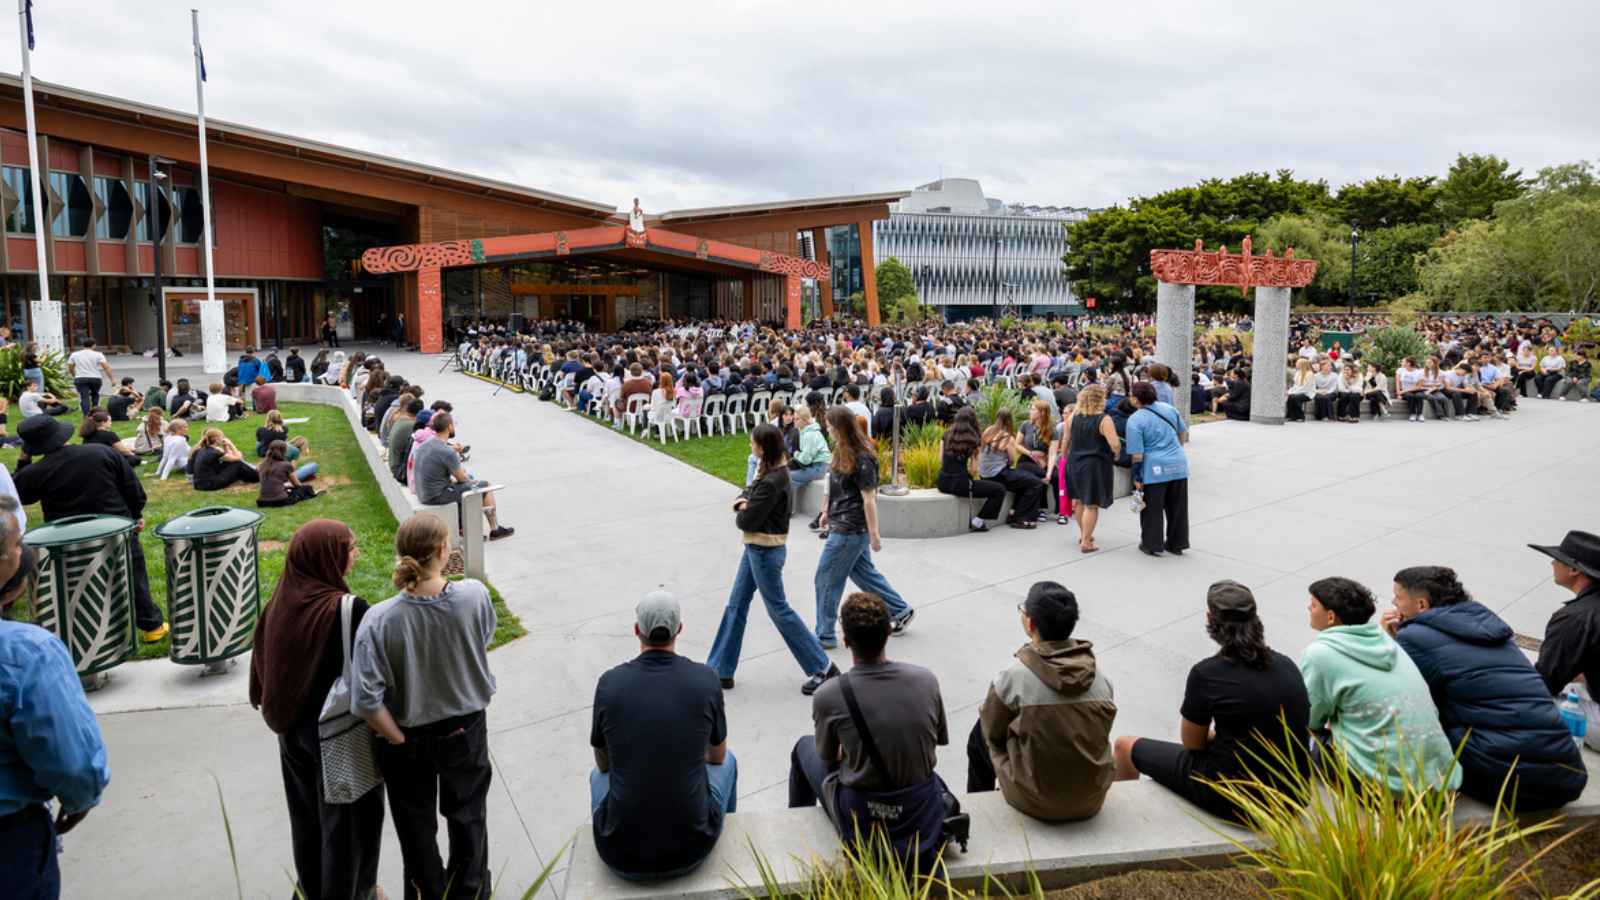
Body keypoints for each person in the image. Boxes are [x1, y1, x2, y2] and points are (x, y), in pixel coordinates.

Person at [353, 514, 497, 900]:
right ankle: (469, 892)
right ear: (442, 550)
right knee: (468, 817)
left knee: (415, 829)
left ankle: (426, 894)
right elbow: (482, 639)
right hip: (464, 730)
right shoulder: (473, 596)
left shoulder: (379, 619)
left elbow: (365, 699)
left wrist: (397, 736)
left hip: (405, 739)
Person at [248, 521, 385, 900]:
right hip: (337, 735)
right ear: (328, 556)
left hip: (290, 732)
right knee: (349, 828)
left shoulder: (281, 600)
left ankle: (312, 892)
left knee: (307, 823)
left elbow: (263, 660)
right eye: (350, 547)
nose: (356, 553)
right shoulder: (349, 610)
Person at [1381, 566, 1585, 810]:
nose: (1393, 602)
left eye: (1398, 597)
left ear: (1422, 605)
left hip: (1517, 782)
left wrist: (1390, 640)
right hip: (1567, 775)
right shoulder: (1489, 627)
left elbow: (1404, 699)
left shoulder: (1415, 636)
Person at [1113, 580, 1311, 820]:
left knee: (1124, 746)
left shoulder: (1207, 673)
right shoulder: (1287, 665)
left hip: (1238, 801)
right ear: (1257, 618)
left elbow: (1192, 743)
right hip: (1294, 797)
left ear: (1209, 618)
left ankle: (1118, 825)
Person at [788, 592, 950, 874]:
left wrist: (848, 748)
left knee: (802, 749)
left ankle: (794, 834)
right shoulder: (926, 680)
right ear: (889, 631)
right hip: (919, 811)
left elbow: (828, 760)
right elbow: (935, 740)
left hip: (863, 818)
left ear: (847, 642)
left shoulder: (829, 694)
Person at [0, 494, 110, 900]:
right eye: (15, 546)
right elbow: (72, 760)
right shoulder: (27, 653)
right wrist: (81, 798)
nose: (21, 552)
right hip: (11, 842)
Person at [590, 590, 736, 880]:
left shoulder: (609, 684)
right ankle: (725, 845)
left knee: (597, 776)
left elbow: (604, 764)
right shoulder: (706, 679)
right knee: (729, 760)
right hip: (691, 850)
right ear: (679, 629)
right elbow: (717, 757)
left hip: (620, 856)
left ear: (636, 630)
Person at [967, 581, 1116, 822]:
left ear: (1030, 624)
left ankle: (979, 813)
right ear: (1072, 623)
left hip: (1037, 801)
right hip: (1092, 798)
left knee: (978, 737)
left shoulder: (1012, 677)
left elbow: (993, 734)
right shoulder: (1101, 678)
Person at [708, 424, 838, 694]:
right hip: (756, 548)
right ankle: (720, 669)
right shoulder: (769, 470)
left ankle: (823, 668)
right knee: (736, 605)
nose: (749, 446)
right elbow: (746, 495)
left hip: (765, 551)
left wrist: (743, 504)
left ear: (763, 448)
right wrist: (746, 500)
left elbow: (745, 520)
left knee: (779, 609)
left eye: (752, 443)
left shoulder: (772, 479)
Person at [1299, 577, 1461, 793]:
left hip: (1387, 787)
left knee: (1293, 732)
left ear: (1330, 616)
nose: (1309, 608)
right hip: (1444, 780)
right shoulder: (1391, 644)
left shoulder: (1319, 654)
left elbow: (1310, 718)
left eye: (1313, 605)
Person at [14, 414, 167, 641]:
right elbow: (131, 487)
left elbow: (21, 495)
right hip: (115, 527)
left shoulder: (34, 472)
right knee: (132, 574)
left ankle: (87, 633)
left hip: (66, 537)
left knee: (77, 583)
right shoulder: (102, 452)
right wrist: (136, 515)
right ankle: (151, 626)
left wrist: (23, 460)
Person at [813, 406, 914, 648]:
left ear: (840, 427)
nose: (826, 429)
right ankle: (900, 611)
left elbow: (869, 499)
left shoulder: (864, 457)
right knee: (865, 574)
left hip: (851, 531)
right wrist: (826, 512)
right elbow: (837, 487)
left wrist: (874, 535)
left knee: (825, 579)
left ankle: (825, 634)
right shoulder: (841, 452)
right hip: (844, 526)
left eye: (828, 425)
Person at [1530, 532, 1600, 742]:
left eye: (1558, 559)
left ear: (1573, 570)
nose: (1552, 563)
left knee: (1523, 700)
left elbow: (1545, 684)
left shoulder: (1575, 617)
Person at [412, 413, 514, 541]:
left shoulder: (425, 445)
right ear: (449, 427)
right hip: (436, 495)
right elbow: (463, 479)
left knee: (461, 487)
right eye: (454, 424)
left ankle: (463, 528)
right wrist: (475, 484)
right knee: (485, 486)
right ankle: (495, 529)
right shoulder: (448, 451)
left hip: (422, 492)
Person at [1126, 382, 1188, 557]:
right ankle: (1178, 543)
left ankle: (1152, 543)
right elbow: (1182, 431)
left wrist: (1137, 477)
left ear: (1136, 399)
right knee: (1178, 507)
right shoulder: (1169, 409)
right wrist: (1178, 450)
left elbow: (1137, 454)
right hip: (1178, 463)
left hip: (1155, 467)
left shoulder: (1135, 419)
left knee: (1152, 508)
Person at [1058, 384, 1120, 554]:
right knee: (1091, 504)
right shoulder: (1104, 419)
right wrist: (1116, 453)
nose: (1106, 400)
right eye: (1104, 397)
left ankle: (1084, 533)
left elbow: (1066, 440)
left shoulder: (1073, 417)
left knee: (1079, 500)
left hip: (1074, 461)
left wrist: (1064, 458)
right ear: (1097, 399)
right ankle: (1086, 541)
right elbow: (1114, 443)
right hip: (1094, 464)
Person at [934, 407, 1005, 533]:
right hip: (960, 484)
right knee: (1000, 490)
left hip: (942, 482)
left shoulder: (946, 435)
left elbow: (941, 460)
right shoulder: (975, 440)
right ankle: (978, 521)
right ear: (974, 421)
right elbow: (973, 470)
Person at [976, 407, 1045, 529]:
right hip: (998, 475)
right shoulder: (1008, 438)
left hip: (984, 474)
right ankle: (1020, 517)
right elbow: (1012, 460)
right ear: (1009, 421)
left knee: (1028, 478)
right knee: (1035, 483)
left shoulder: (988, 431)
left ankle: (1014, 510)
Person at [790, 406, 831, 517]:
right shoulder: (805, 431)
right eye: (794, 418)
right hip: (813, 465)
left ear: (805, 420)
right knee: (787, 477)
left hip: (818, 467)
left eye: (797, 419)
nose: (794, 421)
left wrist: (796, 454)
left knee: (787, 476)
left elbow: (805, 459)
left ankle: (789, 508)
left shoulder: (809, 435)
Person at [188, 428, 261, 491]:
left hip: (199, 484)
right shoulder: (214, 453)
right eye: (222, 437)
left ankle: (253, 475)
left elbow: (228, 458)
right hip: (209, 484)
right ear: (216, 440)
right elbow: (238, 458)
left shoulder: (203, 450)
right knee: (238, 464)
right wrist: (231, 444)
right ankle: (259, 477)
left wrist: (225, 446)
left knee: (228, 463)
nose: (223, 439)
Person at [258, 441, 325, 508]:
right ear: (284, 451)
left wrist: (285, 485)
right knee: (306, 488)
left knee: (288, 489)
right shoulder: (286, 465)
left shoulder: (263, 465)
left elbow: (270, 483)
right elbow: (296, 484)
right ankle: (312, 493)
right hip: (279, 501)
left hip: (261, 502)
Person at [67, 338, 114, 417]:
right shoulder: (98, 354)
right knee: (95, 395)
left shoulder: (74, 354)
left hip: (81, 377)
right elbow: (106, 367)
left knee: (84, 397)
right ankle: (95, 413)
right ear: (93, 345)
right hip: (95, 377)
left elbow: (71, 368)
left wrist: (75, 375)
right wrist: (111, 379)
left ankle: (86, 415)